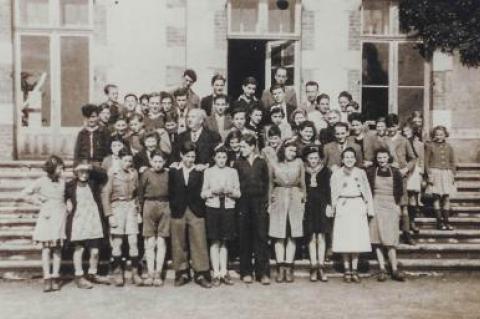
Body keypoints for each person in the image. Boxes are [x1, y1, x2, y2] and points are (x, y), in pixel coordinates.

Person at [169, 141, 212, 288]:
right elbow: (170, 191)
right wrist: (174, 207)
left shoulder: (200, 171)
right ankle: (182, 272)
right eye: (187, 156)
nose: (190, 160)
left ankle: (201, 273)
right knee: (178, 242)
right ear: (181, 155)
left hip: (196, 210)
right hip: (178, 210)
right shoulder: (174, 171)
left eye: (193, 157)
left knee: (199, 241)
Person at [329, 147, 374, 284]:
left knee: (356, 238)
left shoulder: (360, 172)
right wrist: (333, 207)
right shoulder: (336, 173)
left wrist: (369, 208)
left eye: (351, 157)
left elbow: (367, 191)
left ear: (355, 159)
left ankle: (355, 270)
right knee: (344, 237)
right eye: (346, 157)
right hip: (343, 205)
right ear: (342, 159)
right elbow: (333, 192)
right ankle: (346, 269)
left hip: (357, 205)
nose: (349, 160)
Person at [22, 155, 67, 292]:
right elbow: (25, 194)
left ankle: (56, 277)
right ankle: (47, 278)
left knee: (57, 248)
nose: (62, 170)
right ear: (52, 168)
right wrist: (38, 201)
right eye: (60, 168)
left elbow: (66, 196)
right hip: (47, 217)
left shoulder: (62, 181)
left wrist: (68, 202)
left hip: (60, 216)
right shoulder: (41, 181)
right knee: (46, 249)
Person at [65, 162, 110, 289]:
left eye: (86, 172)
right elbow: (62, 197)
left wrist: (90, 166)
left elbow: (103, 175)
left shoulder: (93, 183)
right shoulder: (70, 185)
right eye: (81, 172)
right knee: (79, 249)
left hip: (93, 218)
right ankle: (79, 276)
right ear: (76, 173)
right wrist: (67, 202)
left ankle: (92, 273)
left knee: (95, 251)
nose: (84, 175)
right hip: (78, 219)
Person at [101, 149, 142, 287]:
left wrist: (139, 211)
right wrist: (109, 215)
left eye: (130, 161)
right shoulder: (112, 174)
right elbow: (105, 195)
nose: (128, 163)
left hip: (131, 207)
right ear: (119, 160)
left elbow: (137, 194)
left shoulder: (134, 173)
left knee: (133, 241)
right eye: (125, 160)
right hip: (117, 208)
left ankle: (135, 273)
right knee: (117, 242)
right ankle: (118, 271)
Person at [201, 146, 241, 286]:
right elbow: (203, 193)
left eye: (224, 157)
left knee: (224, 240)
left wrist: (229, 191)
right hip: (213, 208)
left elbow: (238, 193)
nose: (221, 160)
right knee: (214, 240)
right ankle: (216, 273)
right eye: (219, 157)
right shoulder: (208, 172)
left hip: (228, 207)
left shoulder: (233, 172)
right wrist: (213, 191)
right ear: (214, 158)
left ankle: (224, 271)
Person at [234, 134, 271, 285]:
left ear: (252, 146)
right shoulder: (237, 163)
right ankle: (246, 271)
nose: (240, 149)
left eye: (243, 146)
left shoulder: (261, 162)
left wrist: (266, 202)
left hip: (259, 204)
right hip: (243, 204)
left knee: (261, 237)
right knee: (245, 237)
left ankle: (262, 273)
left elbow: (267, 182)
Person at [268, 139, 306, 283]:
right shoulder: (274, 163)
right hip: (278, 197)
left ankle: (289, 267)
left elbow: (302, 183)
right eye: (290, 150)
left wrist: (303, 200)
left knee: (292, 234)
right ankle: (280, 267)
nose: (293, 153)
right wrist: (269, 202)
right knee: (279, 234)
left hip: (295, 197)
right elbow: (270, 183)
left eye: (295, 151)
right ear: (283, 150)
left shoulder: (299, 163)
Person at [366, 148, 406, 282]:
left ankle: (394, 269)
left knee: (390, 239)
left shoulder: (395, 172)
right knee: (377, 238)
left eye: (384, 157)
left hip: (391, 205)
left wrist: (398, 206)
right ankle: (382, 268)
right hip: (376, 204)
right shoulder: (371, 171)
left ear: (388, 158)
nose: (382, 160)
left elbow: (400, 191)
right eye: (379, 158)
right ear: (376, 159)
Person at [138, 151, 171, 286]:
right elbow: (140, 192)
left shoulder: (168, 174)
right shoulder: (146, 174)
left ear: (164, 162)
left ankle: (158, 272)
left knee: (161, 240)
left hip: (165, 205)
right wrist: (140, 210)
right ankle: (150, 272)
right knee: (150, 241)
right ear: (151, 161)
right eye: (155, 161)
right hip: (149, 205)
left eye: (160, 161)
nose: (158, 164)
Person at [385, 113, 417, 245]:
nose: (391, 129)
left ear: (397, 126)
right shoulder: (383, 140)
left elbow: (413, 158)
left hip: (401, 177)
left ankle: (407, 233)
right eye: (389, 127)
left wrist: (406, 169)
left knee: (403, 206)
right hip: (387, 177)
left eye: (393, 126)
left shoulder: (404, 141)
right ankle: (389, 234)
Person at [303, 145, 332, 282]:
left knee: (321, 236)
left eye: (316, 158)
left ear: (320, 158)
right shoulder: (304, 171)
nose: (313, 160)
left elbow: (329, 190)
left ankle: (321, 266)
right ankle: (313, 266)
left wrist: (329, 205)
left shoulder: (326, 171)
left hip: (322, 206)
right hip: (309, 206)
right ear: (306, 159)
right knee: (311, 236)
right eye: (310, 158)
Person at [425, 126, 457, 230]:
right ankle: (439, 222)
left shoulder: (449, 147)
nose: (439, 136)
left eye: (441, 134)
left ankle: (447, 221)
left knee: (446, 197)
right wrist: (429, 174)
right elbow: (426, 162)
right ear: (434, 135)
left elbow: (452, 162)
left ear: (445, 135)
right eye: (437, 134)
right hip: (435, 173)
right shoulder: (430, 146)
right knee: (437, 197)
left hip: (446, 173)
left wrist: (453, 173)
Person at [403, 122, 424, 234]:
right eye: (404, 131)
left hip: (414, 171)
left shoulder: (418, 144)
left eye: (408, 131)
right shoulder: (401, 141)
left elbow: (421, 159)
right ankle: (404, 223)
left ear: (412, 131)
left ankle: (412, 221)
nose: (406, 133)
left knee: (412, 198)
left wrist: (421, 173)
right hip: (403, 170)